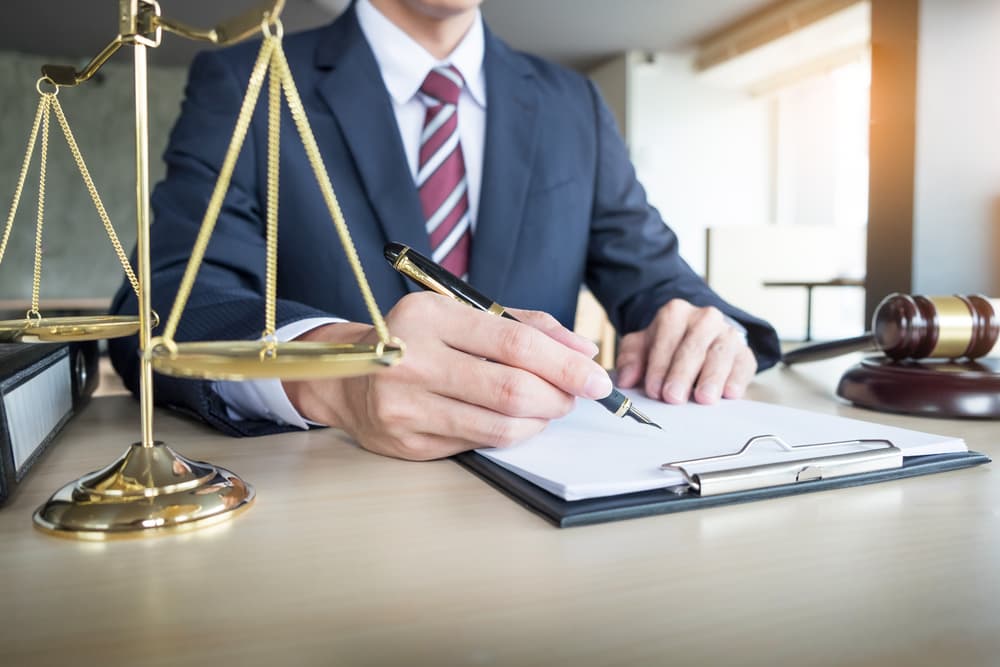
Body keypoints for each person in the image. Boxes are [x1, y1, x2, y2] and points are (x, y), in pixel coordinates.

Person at [109, 0, 781, 460]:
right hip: (334, 524)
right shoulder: (244, 78)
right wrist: (337, 374)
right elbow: (163, 301)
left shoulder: (572, 103)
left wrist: (696, 327)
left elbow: (659, 278)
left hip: (555, 525)